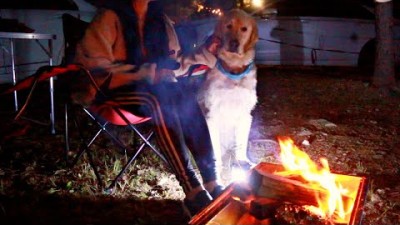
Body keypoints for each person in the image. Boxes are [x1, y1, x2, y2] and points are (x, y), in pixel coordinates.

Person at [71, 0, 223, 216]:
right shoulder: (109, 17)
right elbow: (95, 67)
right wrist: (147, 73)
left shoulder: (159, 20)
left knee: (184, 96)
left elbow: (174, 63)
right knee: (159, 99)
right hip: (111, 92)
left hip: (155, 90)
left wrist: (206, 53)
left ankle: (212, 181)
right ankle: (193, 191)